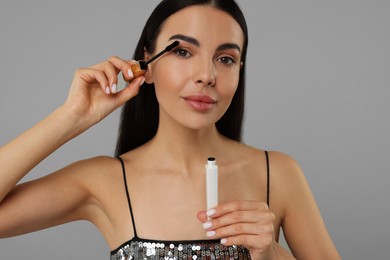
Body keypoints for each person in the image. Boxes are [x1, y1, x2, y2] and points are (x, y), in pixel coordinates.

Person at [0, 0, 340, 259]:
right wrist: (70, 117)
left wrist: (273, 255)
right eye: (182, 51)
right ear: (145, 64)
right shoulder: (103, 181)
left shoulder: (278, 173)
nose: (206, 75)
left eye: (225, 59)